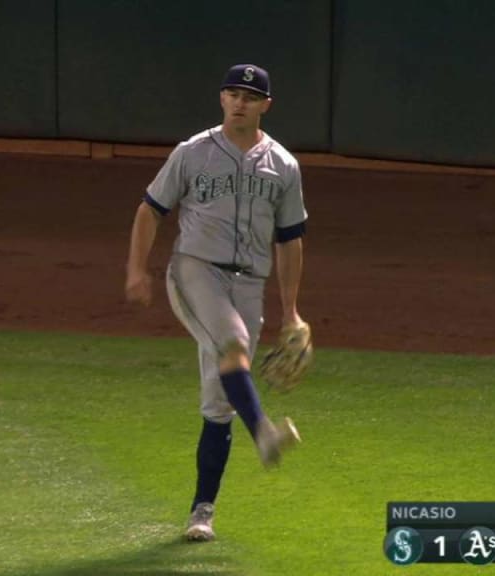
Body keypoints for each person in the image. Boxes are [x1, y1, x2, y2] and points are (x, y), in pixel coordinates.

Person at [124, 63, 308, 542]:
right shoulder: (193, 152)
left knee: (219, 401)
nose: (239, 101)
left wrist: (291, 311)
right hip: (194, 272)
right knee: (233, 346)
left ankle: (201, 511)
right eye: (232, 93)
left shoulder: (284, 166)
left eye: (250, 95)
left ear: (266, 105)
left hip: (250, 284)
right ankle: (264, 431)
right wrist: (136, 270)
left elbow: (290, 240)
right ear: (221, 99)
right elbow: (150, 209)